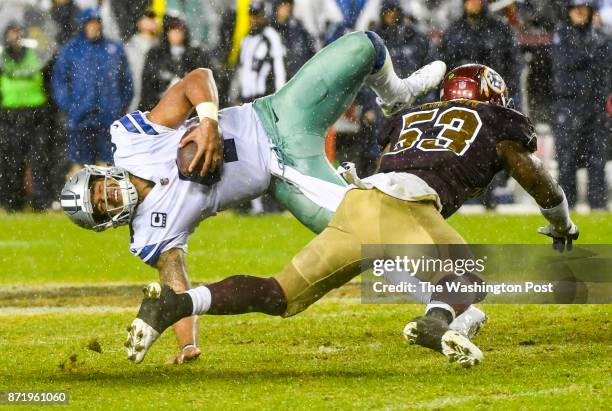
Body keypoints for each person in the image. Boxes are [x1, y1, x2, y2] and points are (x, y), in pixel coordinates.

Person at [124, 64, 580, 367]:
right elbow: (531, 172)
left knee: (279, 295)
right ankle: (437, 322)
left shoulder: (410, 117)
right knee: (467, 279)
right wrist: (560, 220)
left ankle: (177, 303)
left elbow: (401, 163)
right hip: (402, 207)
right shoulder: (497, 122)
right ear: (488, 96)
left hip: (358, 202)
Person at [60, 30, 447, 364]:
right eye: (100, 206)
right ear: (105, 222)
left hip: (278, 113)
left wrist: (209, 120)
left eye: (98, 188)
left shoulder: (132, 142)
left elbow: (197, 78)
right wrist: (188, 343)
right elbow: (175, 287)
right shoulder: (149, 235)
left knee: (365, 46)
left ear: (100, 173)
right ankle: (446, 302)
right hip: (286, 176)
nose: (107, 196)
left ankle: (398, 93)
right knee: (369, 235)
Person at [52, 8, 133, 177]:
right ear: (82, 25)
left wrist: (119, 106)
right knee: (79, 167)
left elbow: (126, 81)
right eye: (89, 23)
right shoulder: (71, 50)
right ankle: (79, 201)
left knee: (108, 166)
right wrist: (70, 106)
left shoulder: (114, 48)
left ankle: (105, 201)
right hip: (80, 117)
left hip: (108, 116)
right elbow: (59, 81)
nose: (94, 27)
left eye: (97, 22)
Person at [552, 0, 611, 210]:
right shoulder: (561, 36)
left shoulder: (602, 36)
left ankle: (598, 206)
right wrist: (589, 55)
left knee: (597, 161)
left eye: (583, 8)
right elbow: (564, 63)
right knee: (566, 162)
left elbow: (605, 67)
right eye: (575, 8)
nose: (579, 13)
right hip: (568, 106)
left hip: (596, 106)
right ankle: (566, 209)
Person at [0, 22, 51, 211]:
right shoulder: (3, 58)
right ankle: (12, 202)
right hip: (10, 114)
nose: (16, 36)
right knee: (12, 160)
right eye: (12, 32)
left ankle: (40, 202)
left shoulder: (35, 56)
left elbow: (47, 80)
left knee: (39, 160)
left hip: (35, 113)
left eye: (18, 32)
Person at [139, 15, 209, 112]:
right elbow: (147, 84)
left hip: (189, 108)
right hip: (160, 107)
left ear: (185, 32)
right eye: (172, 30)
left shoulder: (196, 54)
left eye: (179, 30)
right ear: (167, 32)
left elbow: (204, 80)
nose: (176, 34)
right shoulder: (155, 54)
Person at [271, 0, 317, 80]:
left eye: (289, 4)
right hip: (282, 84)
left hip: (303, 79)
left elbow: (312, 52)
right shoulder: (269, 33)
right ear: (276, 7)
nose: (287, 7)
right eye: (284, 4)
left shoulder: (298, 27)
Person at [124, 11, 159, 112]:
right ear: (139, 23)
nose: (151, 22)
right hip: (134, 101)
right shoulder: (129, 47)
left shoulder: (162, 48)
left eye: (153, 19)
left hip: (156, 101)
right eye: (147, 19)